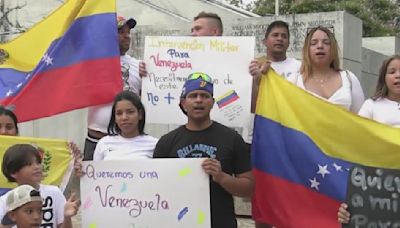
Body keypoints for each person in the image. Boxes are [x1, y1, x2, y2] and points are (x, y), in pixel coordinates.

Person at [153, 72, 254, 228]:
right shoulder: (166, 142)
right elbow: (155, 188)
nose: (199, 100)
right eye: (193, 95)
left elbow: (249, 188)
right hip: (179, 223)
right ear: (183, 103)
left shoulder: (231, 138)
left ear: (212, 102)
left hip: (221, 222)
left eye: (204, 96)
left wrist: (222, 177)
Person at [84, 16, 147, 161]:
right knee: (92, 183)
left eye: (128, 32)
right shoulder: (91, 63)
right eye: (120, 31)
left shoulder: (139, 66)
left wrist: (149, 79)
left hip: (129, 142)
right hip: (96, 139)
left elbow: (147, 103)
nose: (127, 36)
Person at [287, 26, 365, 113]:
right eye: (314, 43)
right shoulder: (293, 81)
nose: (320, 46)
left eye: (326, 42)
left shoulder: (349, 79)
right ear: (307, 50)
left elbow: (362, 118)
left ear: (333, 48)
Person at [0, 144, 80, 228]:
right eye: (29, 164)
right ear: (13, 173)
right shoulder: (5, 201)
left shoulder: (54, 192)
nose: (37, 167)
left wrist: (67, 216)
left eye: (38, 163)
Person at [248, 20, 301, 113]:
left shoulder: (299, 67)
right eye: (275, 35)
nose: (280, 39)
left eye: (284, 36)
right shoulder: (254, 67)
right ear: (265, 41)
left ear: (288, 43)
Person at [93, 90, 158, 161]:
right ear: (114, 117)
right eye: (119, 113)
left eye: (130, 112)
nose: (124, 117)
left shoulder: (154, 144)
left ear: (140, 114)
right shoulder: (103, 143)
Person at [358, 55, 400, 127]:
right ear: (384, 78)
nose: (398, 75)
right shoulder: (371, 105)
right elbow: (359, 131)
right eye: (392, 72)